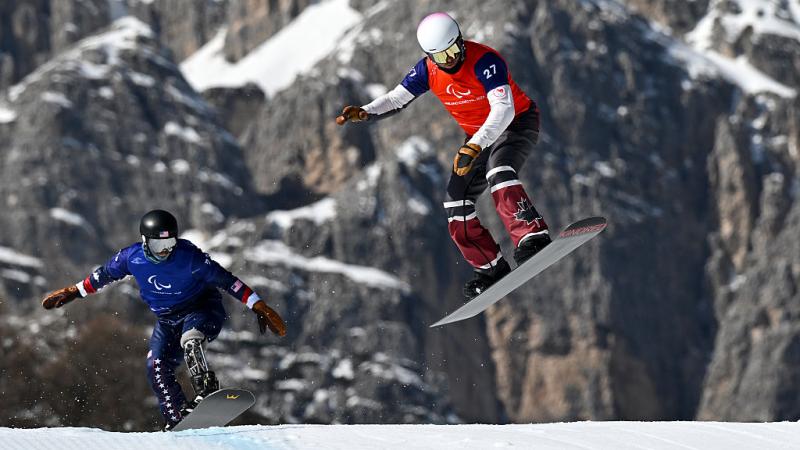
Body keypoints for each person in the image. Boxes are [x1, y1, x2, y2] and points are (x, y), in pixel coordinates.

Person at [336, 12, 551, 300]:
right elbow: (397, 98)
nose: (449, 60)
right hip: (477, 138)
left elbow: (504, 110)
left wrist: (475, 146)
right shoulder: (428, 70)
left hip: (516, 124)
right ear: (429, 55)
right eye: (440, 56)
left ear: (461, 41)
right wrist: (367, 112)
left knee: (498, 170)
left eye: (452, 51)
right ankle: (490, 268)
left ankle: (532, 235)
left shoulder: (485, 61)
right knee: (456, 203)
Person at [41, 209, 287, 431]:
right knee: (155, 367)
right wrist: (75, 291)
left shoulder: (190, 257)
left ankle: (206, 390)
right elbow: (103, 275)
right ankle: (176, 417)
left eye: (171, 243)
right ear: (145, 242)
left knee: (191, 341)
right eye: (160, 245)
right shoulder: (131, 257)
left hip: (201, 309)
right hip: (167, 320)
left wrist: (258, 304)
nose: (166, 250)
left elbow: (227, 281)